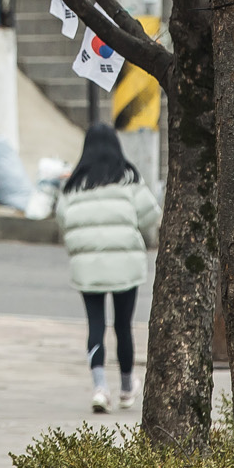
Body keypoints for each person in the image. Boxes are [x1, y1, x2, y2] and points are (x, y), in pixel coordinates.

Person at [54, 123, 160, 413]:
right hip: (125, 265)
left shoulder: (73, 186)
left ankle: (100, 388)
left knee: (96, 325)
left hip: (87, 269)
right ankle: (127, 388)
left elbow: (63, 221)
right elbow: (151, 215)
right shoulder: (129, 181)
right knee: (123, 326)